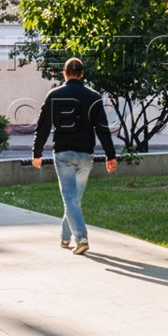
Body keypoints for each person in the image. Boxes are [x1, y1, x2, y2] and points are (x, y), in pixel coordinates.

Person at [31, 57, 118, 255]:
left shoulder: (54, 95)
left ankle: (81, 238)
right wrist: (110, 155)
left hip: (63, 154)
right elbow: (103, 129)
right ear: (82, 74)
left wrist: (37, 152)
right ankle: (64, 238)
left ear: (64, 73)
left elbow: (43, 126)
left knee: (70, 199)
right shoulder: (94, 97)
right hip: (86, 154)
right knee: (73, 199)